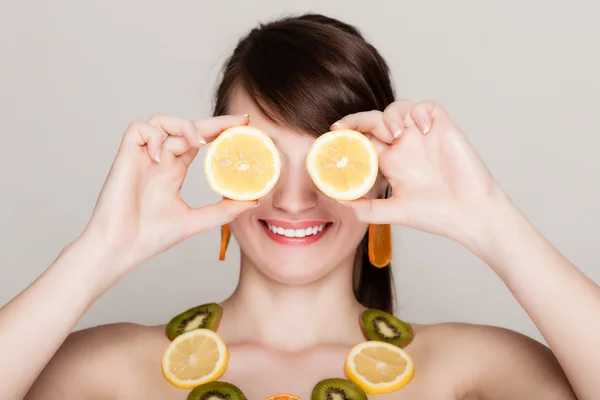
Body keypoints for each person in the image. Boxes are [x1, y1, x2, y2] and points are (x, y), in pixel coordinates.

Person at [0, 12, 596, 400]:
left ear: (381, 180)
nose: (292, 199)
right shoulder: (108, 372)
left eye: (331, 161)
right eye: (260, 159)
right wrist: (98, 253)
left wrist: (491, 221)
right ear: (221, 170)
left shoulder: (474, 372)